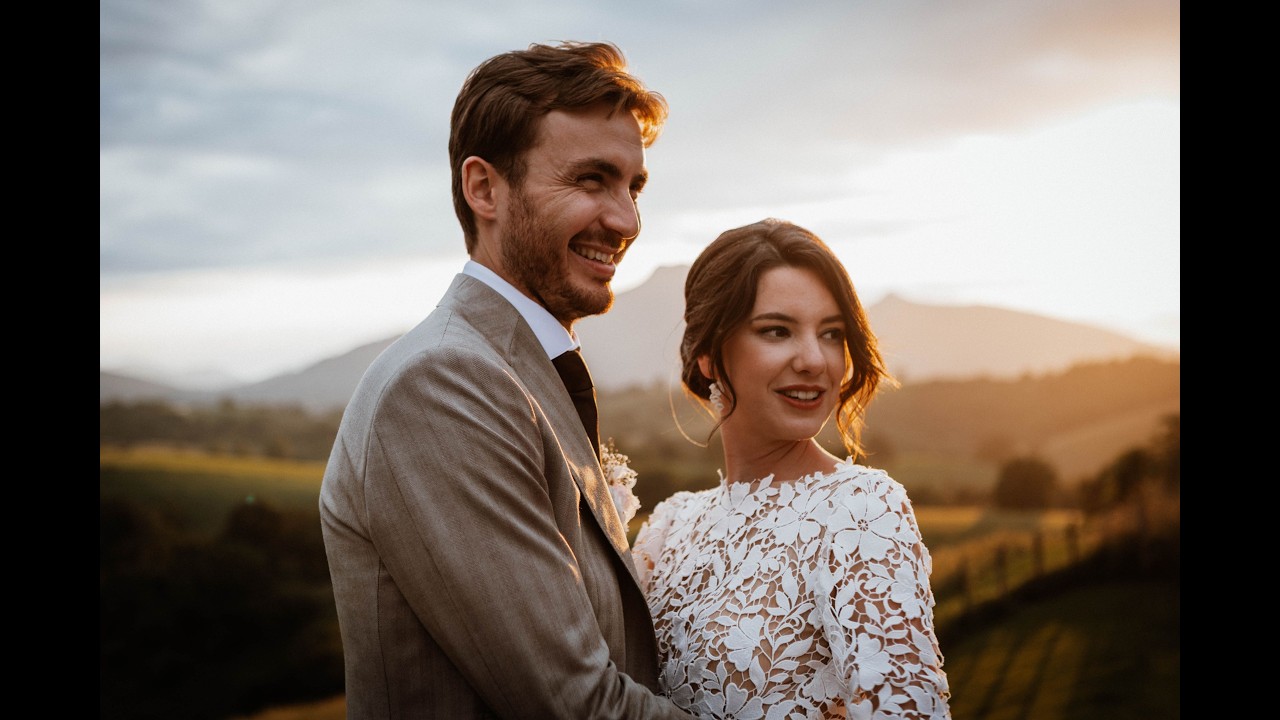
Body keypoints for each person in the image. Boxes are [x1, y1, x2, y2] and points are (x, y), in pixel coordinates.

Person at [319, 41, 693, 719]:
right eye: (590, 180)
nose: (626, 221)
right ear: (484, 188)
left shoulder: (517, 370)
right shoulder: (440, 385)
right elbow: (576, 705)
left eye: (633, 187)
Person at [632, 219, 952, 719]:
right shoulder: (668, 528)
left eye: (832, 334)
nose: (813, 360)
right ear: (709, 355)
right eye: (777, 331)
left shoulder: (862, 509)